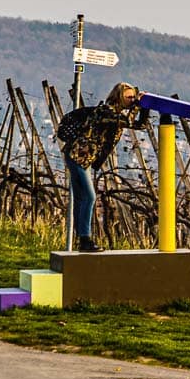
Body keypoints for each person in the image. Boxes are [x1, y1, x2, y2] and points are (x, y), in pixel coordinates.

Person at [58, 82, 149, 252]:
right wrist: (138, 104)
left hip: (83, 157)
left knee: (80, 197)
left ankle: (80, 238)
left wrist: (145, 108)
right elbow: (127, 121)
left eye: (132, 97)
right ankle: (84, 239)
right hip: (78, 155)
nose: (131, 100)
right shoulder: (106, 111)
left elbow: (138, 125)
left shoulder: (116, 113)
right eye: (128, 97)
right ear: (119, 96)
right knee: (89, 196)